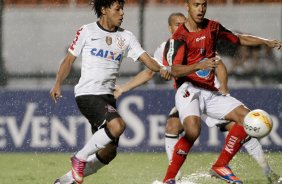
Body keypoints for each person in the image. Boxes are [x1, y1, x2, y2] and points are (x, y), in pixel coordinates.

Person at [114, 12, 281, 184]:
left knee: (246, 124)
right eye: (176, 24)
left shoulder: (201, 37)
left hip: (211, 93)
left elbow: (221, 64)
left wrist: (223, 87)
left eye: (182, 23)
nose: (180, 26)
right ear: (169, 28)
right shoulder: (165, 48)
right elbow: (150, 72)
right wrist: (124, 88)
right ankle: (173, 178)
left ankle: (267, 171)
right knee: (173, 126)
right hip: (189, 94)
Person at [161, 0, 282, 183]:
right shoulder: (179, 37)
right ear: (187, 6)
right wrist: (199, 65)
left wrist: (266, 42)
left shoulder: (213, 27)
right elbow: (174, 70)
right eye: (196, 5)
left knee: (246, 118)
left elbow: (238, 38)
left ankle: (221, 165)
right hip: (188, 89)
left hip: (210, 90)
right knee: (192, 131)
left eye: (203, 4)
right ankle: (168, 180)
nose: (200, 9)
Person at [50, 0, 170, 184]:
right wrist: (58, 83)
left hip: (107, 97)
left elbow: (148, 60)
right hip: (88, 93)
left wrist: (163, 68)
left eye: (122, 9)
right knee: (117, 126)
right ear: (104, 10)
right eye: (117, 9)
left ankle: (65, 181)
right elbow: (68, 60)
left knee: (109, 152)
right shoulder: (87, 31)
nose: (122, 13)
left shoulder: (126, 37)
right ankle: (79, 157)